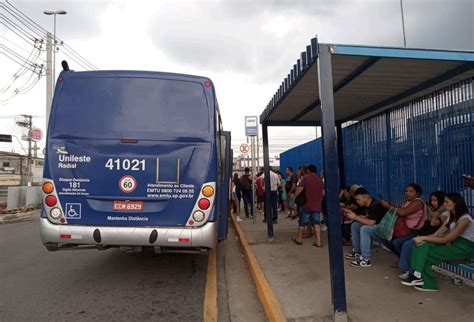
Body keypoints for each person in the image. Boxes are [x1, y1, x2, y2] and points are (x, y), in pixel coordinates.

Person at [402, 193, 474, 291]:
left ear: (456, 203)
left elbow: (447, 239)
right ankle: (418, 276)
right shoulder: (451, 217)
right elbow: (436, 234)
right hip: (452, 245)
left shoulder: (465, 219)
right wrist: (421, 238)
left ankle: (426, 281)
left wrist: (423, 238)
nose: (444, 204)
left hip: (463, 249)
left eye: (446, 202)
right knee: (421, 246)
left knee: (425, 253)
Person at [398, 191, 449, 279]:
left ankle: (413, 272)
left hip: (438, 239)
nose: (432, 202)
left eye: (435, 200)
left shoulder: (446, 213)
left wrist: (437, 211)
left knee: (410, 245)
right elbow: (428, 225)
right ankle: (410, 271)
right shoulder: (434, 211)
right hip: (430, 235)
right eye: (431, 200)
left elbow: (433, 223)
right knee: (408, 243)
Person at [379, 184, 427, 261]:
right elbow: (398, 209)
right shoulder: (406, 202)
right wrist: (389, 204)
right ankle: (402, 260)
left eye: (411, 191)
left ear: (417, 194)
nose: (407, 193)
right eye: (406, 191)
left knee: (397, 243)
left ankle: (407, 262)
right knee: (385, 239)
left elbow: (402, 213)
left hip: (414, 231)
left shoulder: (418, 202)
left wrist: (388, 206)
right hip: (404, 229)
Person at [344, 187, 387, 267]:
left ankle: (365, 260)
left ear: (366, 197)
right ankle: (357, 252)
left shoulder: (376, 205)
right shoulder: (367, 205)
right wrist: (356, 216)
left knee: (365, 229)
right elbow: (369, 218)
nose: (357, 201)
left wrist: (355, 217)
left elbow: (371, 223)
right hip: (377, 227)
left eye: (358, 199)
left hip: (385, 232)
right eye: (356, 199)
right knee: (355, 225)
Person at [292, 164, 324, 247]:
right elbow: (323, 193)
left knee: (302, 222)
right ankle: (318, 241)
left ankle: (299, 239)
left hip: (306, 204)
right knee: (316, 223)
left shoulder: (305, 179)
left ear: (308, 170)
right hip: (317, 205)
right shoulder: (320, 180)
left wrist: (294, 197)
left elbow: (300, 189)